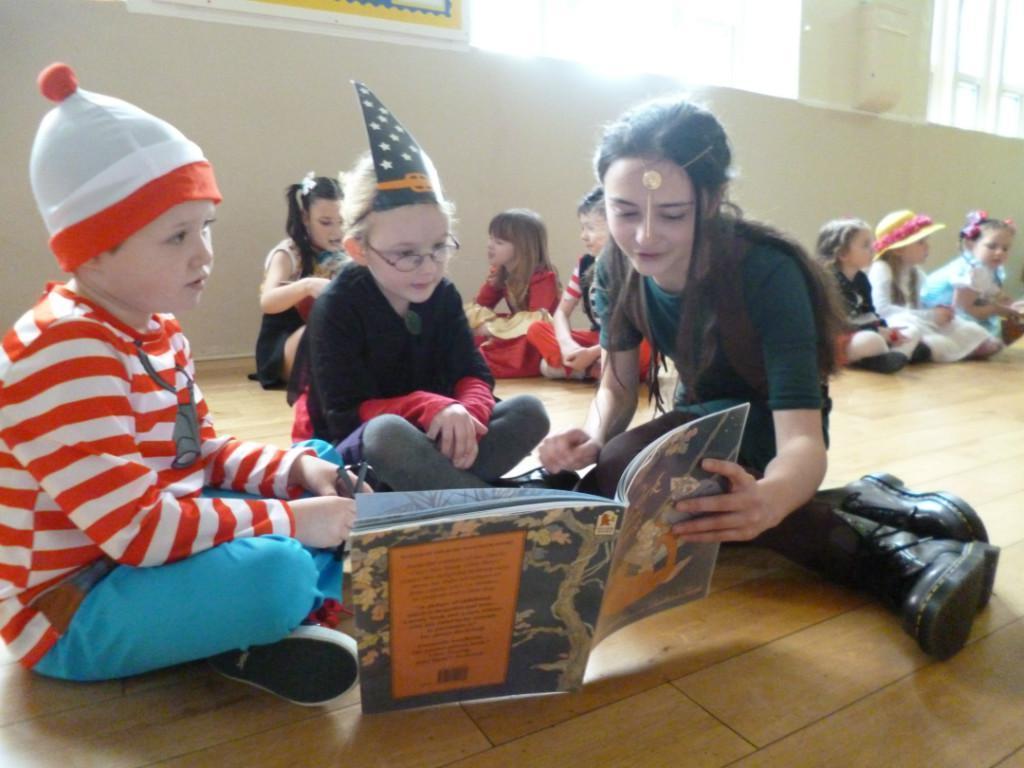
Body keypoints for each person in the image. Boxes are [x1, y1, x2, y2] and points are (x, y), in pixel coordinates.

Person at [538, 96, 998, 659]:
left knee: (636, 476)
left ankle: (899, 557)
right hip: (702, 416)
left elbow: (801, 439)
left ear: (712, 200)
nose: (645, 235)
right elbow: (615, 386)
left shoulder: (766, 270)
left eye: (674, 214)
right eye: (625, 212)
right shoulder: (613, 267)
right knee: (631, 485)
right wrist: (591, 435)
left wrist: (772, 498)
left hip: (771, 422)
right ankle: (867, 502)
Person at [0, 62, 365, 706]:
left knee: (317, 461)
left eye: (205, 227)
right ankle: (269, 613)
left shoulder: (158, 330)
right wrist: (290, 521)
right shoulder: (64, 351)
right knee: (279, 569)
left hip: (147, 549)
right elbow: (136, 530)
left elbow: (200, 456)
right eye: (177, 236)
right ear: (92, 249)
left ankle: (252, 618)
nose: (204, 253)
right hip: (75, 605)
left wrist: (297, 476)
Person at [298, 83, 549, 490]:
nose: (428, 267)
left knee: (529, 411)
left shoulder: (442, 294)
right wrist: (428, 407)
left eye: (438, 248)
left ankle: (448, 492)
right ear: (359, 249)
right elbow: (345, 415)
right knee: (387, 434)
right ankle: (479, 500)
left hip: (438, 436)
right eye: (406, 254)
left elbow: (473, 373)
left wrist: (467, 415)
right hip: (366, 448)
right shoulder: (339, 306)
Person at [526, 186, 651, 380]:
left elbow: (640, 330)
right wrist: (567, 345)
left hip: (626, 343)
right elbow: (561, 313)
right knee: (537, 329)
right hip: (598, 339)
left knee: (647, 344)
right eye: (582, 228)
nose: (583, 236)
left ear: (617, 227)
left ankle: (582, 370)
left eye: (590, 228)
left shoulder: (636, 267)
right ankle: (593, 370)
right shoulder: (584, 265)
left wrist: (591, 354)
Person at [251, 173, 347, 389]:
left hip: (330, 335)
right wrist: (307, 285)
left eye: (343, 221)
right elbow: (267, 301)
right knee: (319, 334)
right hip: (286, 342)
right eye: (325, 223)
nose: (337, 231)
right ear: (305, 218)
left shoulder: (349, 252)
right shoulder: (288, 253)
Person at [868, 210, 1002, 362]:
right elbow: (881, 310)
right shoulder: (882, 269)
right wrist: (930, 315)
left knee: (963, 327)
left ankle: (930, 348)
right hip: (892, 323)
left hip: (917, 320)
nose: (927, 247)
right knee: (909, 327)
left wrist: (941, 312)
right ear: (899, 249)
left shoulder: (915, 272)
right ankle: (914, 351)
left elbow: (924, 302)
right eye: (921, 242)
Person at [815, 218, 923, 373]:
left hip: (864, 331)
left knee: (911, 331)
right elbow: (838, 325)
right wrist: (875, 331)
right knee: (871, 340)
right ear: (843, 253)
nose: (873, 249)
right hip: (840, 337)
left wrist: (885, 328)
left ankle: (894, 356)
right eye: (865, 245)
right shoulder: (830, 282)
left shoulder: (861, 279)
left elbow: (870, 312)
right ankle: (884, 357)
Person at [465, 208, 561, 377]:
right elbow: (480, 306)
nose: (490, 245)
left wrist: (492, 329)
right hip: (517, 331)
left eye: (499, 242)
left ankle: (478, 361)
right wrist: (481, 325)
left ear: (522, 248)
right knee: (469, 332)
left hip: (536, 340)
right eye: (490, 238)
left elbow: (536, 320)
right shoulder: (501, 274)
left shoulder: (544, 278)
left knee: (516, 339)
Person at [921, 210, 1024, 344]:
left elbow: (992, 293)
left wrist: (1011, 305)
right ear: (970, 244)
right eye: (992, 246)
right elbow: (962, 310)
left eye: (1005, 248)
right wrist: (996, 309)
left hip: (960, 314)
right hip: (941, 318)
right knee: (991, 342)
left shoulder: (989, 268)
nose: (999, 252)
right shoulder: (971, 271)